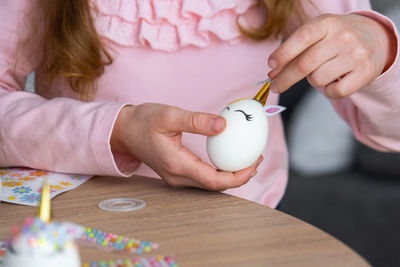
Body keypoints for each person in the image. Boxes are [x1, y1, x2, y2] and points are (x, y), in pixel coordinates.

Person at [0, 0, 398, 208]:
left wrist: (379, 47)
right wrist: (117, 130)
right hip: (86, 228)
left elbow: (389, 135)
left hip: (240, 233)